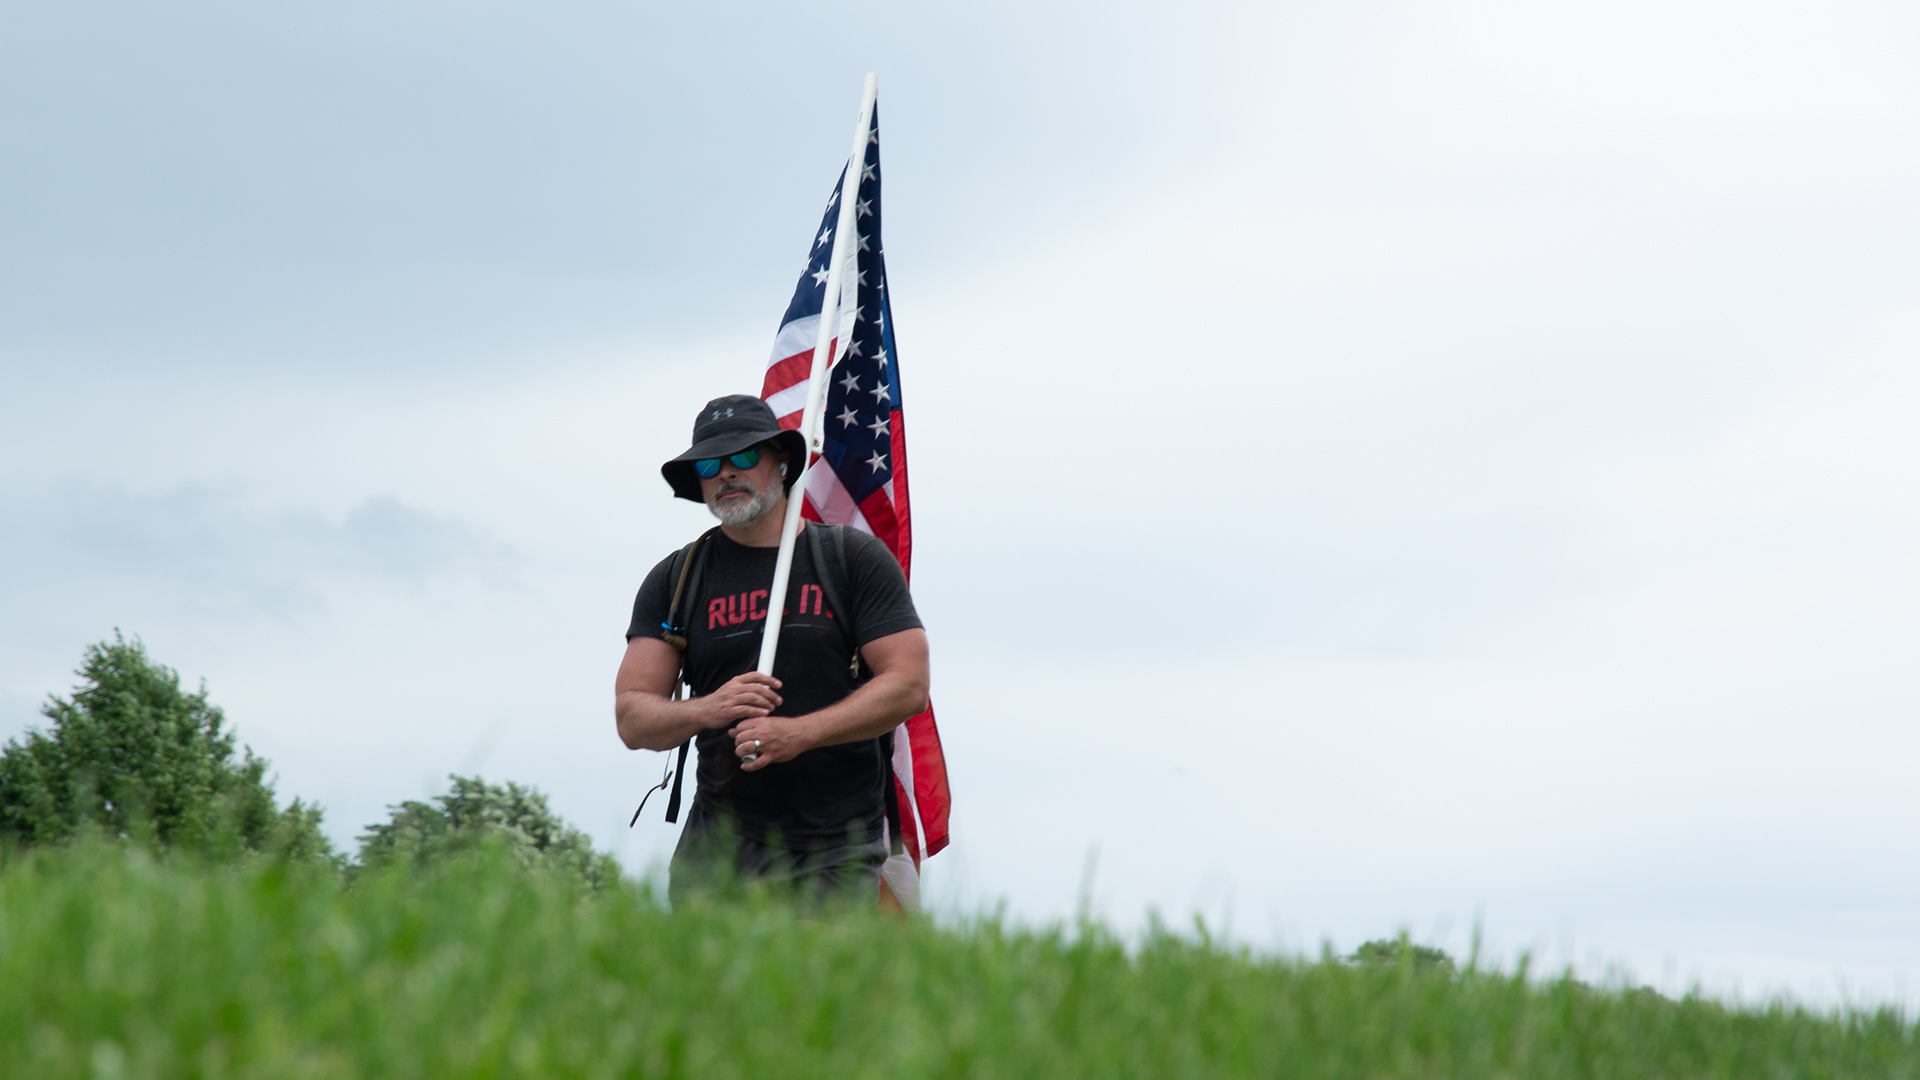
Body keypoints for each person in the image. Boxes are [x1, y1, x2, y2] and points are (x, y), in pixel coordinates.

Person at [614, 394, 930, 906]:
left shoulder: (854, 561)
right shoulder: (676, 578)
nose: (725, 474)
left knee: (814, 985)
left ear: (782, 464)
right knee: (707, 988)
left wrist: (798, 734)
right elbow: (632, 717)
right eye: (710, 465)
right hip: (715, 852)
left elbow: (908, 686)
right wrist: (710, 708)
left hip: (836, 847)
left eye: (742, 458)